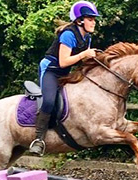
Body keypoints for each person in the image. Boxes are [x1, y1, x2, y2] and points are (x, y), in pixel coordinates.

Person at [29, 1, 100, 156]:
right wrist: (84, 54)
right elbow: (63, 61)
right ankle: (38, 139)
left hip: (65, 72)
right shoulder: (68, 34)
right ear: (80, 20)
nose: (94, 22)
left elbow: (83, 61)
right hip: (51, 71)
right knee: (49, 100)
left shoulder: (86, 38)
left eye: (94, 19)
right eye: (90, 19)